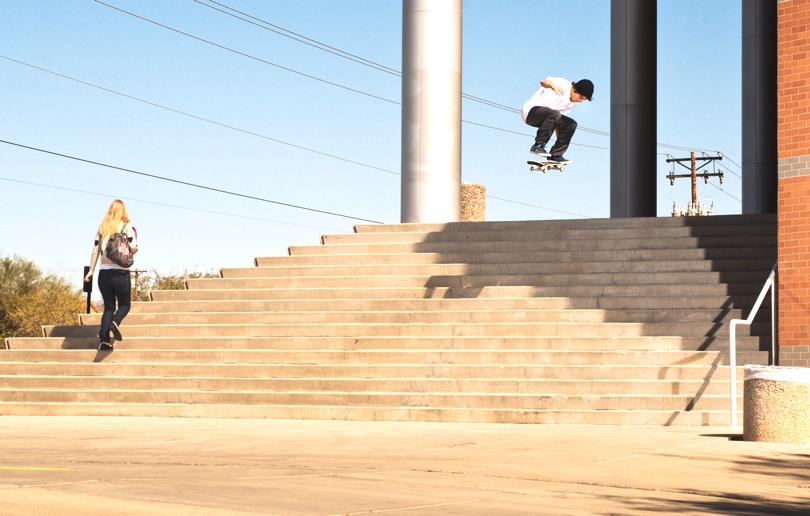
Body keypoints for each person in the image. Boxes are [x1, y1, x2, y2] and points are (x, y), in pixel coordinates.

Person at [84, 199, 138, 351]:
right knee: (125, 305)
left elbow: (95, 250)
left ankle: (104, 340)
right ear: (123, 211)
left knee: (108, 307)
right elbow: (133, 247)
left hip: (104, 274)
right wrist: (134, 248)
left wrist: (90, 271)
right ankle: (115, 322)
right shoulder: (127, 225)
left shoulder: (102, 227)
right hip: (121, 273)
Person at [521, 77, 594, 164]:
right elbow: (543, 82)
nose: (581, 101)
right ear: (575, 89)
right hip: (530, 112)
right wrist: (552, 85)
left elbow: (559, 123)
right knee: (555, 114)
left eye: (584, 99)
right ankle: (538, 146)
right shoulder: (563, 84)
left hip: (547, 119)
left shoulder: (572, 104)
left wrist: (560, 142)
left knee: (571, 124)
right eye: (581, 97)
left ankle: (556, 155)